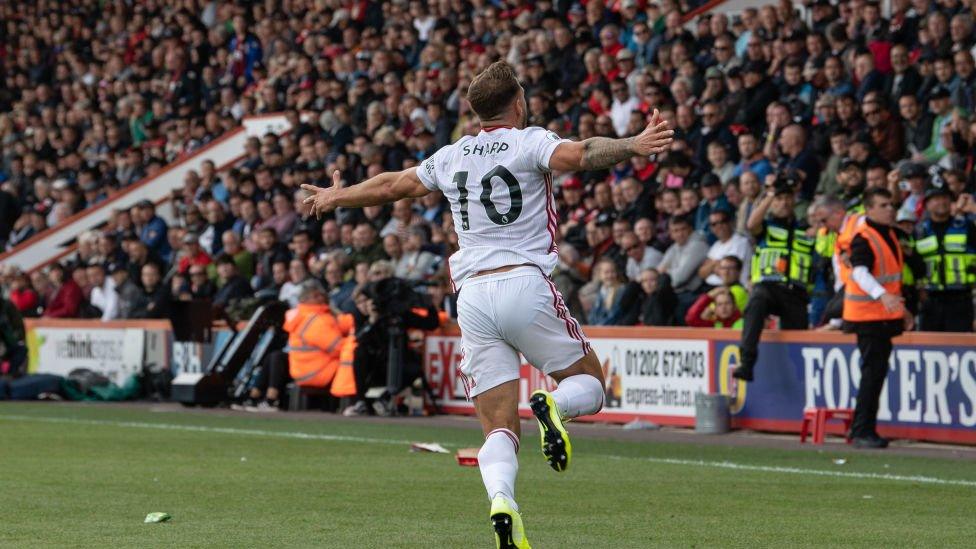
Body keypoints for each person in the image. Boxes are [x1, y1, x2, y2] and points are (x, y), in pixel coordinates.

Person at [303, 60, 673, 547]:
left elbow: (395, 184)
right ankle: (554, 405)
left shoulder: (454, 154)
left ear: (476, 112)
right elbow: (583, 153)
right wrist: (632, 144)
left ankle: (503, 500)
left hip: (473, 296)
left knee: (499, 427)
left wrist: (339, 196)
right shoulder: (529, 141)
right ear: (518, 103)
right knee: (590, 385)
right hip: (524, 282)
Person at [842, 188, 913, 449]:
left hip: (881, 316)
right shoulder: (864, 238)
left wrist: (899, 309)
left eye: (891, 205)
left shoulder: (887, 234)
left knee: (876, 372)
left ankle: (864, 428)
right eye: (883, 205)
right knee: (872, 372)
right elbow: (860, 273)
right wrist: (882, 296)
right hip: (868, 317)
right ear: (869, 209)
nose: (890, 209)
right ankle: (861, 430)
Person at [734, 175, 815, 382]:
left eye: (787, 198)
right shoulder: (766, 226)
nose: (784, 202)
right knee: (756, 301)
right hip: (769, 287)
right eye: (779, 199)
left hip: (795, 294)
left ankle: (799, 379)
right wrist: (770, 194)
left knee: (798, 342)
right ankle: (747, 362)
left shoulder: (804, 230)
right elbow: (751, 224)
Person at [914, 186, 976, 332]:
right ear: (927, 204)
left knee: (959, 347)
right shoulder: (919, 231)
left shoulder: (966, 226)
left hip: (961, 300)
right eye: (936, 199)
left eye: (945, 198)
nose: (941, 202)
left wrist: (973, 209)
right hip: (930, 301)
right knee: (929, 347)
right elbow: (913, 265)